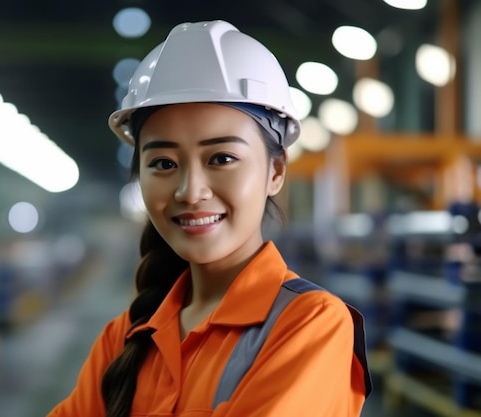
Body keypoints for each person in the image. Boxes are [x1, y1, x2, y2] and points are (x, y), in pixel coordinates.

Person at [46, 20, 372, 417]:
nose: (190, 191)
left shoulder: (310, 326)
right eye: (163, 163)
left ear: (275, 172)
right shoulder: (125, 338)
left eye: (222, 158)